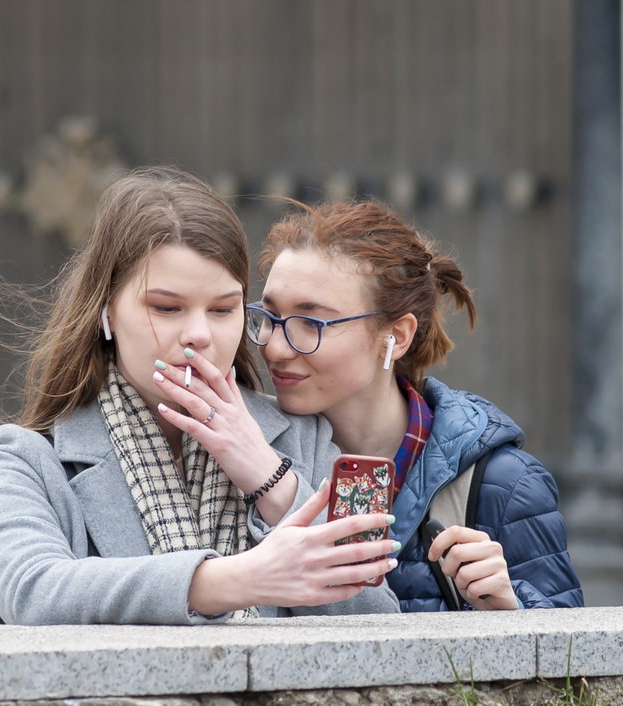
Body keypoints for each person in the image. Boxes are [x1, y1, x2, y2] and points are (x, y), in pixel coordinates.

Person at [0, 168, 400, 625]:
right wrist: (236, 579)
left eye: (222, 309)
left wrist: (270, 479)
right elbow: (33, 592)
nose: (198, 334)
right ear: (106, 312)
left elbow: (376, 616)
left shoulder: (304, 438)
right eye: (167, 308)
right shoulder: (23, 458)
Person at [155, 199, 583, 612]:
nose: (277, 349)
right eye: (270, 319)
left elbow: (576, 664)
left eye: (311, 323)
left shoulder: (500, 483)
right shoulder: (240, 446)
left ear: (396, 335)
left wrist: (509, 605)